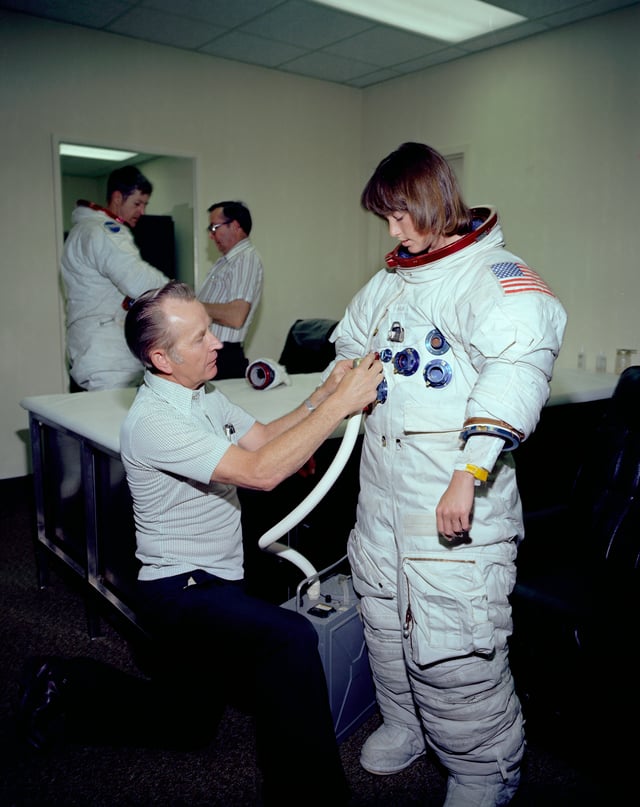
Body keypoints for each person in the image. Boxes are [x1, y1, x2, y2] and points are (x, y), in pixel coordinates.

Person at [18, 281, 383, 807]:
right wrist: (343, 405)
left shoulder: (203, 396)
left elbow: (263, 439)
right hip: (178, 592)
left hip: (220, 578)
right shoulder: (154, 422)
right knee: (289, 638)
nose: (216, 343)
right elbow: (260, 472)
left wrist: (326, 395)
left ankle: (64, 682)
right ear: (161, 357)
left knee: (187, 725)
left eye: (210, 330)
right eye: (199, 338)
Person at [327, 143, 567, 806]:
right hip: (382, 497)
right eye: (387, 219)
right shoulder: (391, 282)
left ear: (433, 200)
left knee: (453, 642)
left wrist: (470, 470)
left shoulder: (495, 276)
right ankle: (407, 725)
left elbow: (518, 370)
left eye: (402, 214)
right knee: (383, 619)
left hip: (454, 493)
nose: (395, 231)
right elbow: (349, 354)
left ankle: (487, 765)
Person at [61, 164, 169, 391]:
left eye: (145, 204)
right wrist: (178, 294)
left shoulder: (83, 231)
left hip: (93, 349)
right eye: (137, 203)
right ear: (118, 198)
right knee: (111, 423)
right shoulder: (103, 231)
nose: (142, 211)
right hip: (107, 356)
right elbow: (139, 281)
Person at [197, 200, 263, 379]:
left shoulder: (246, 259)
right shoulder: (226, 262)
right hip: (212, 354)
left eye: (214, 227)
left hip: (223, 358)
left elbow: (236, 316)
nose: (211, 235)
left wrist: (191, 306)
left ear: (235, 226)